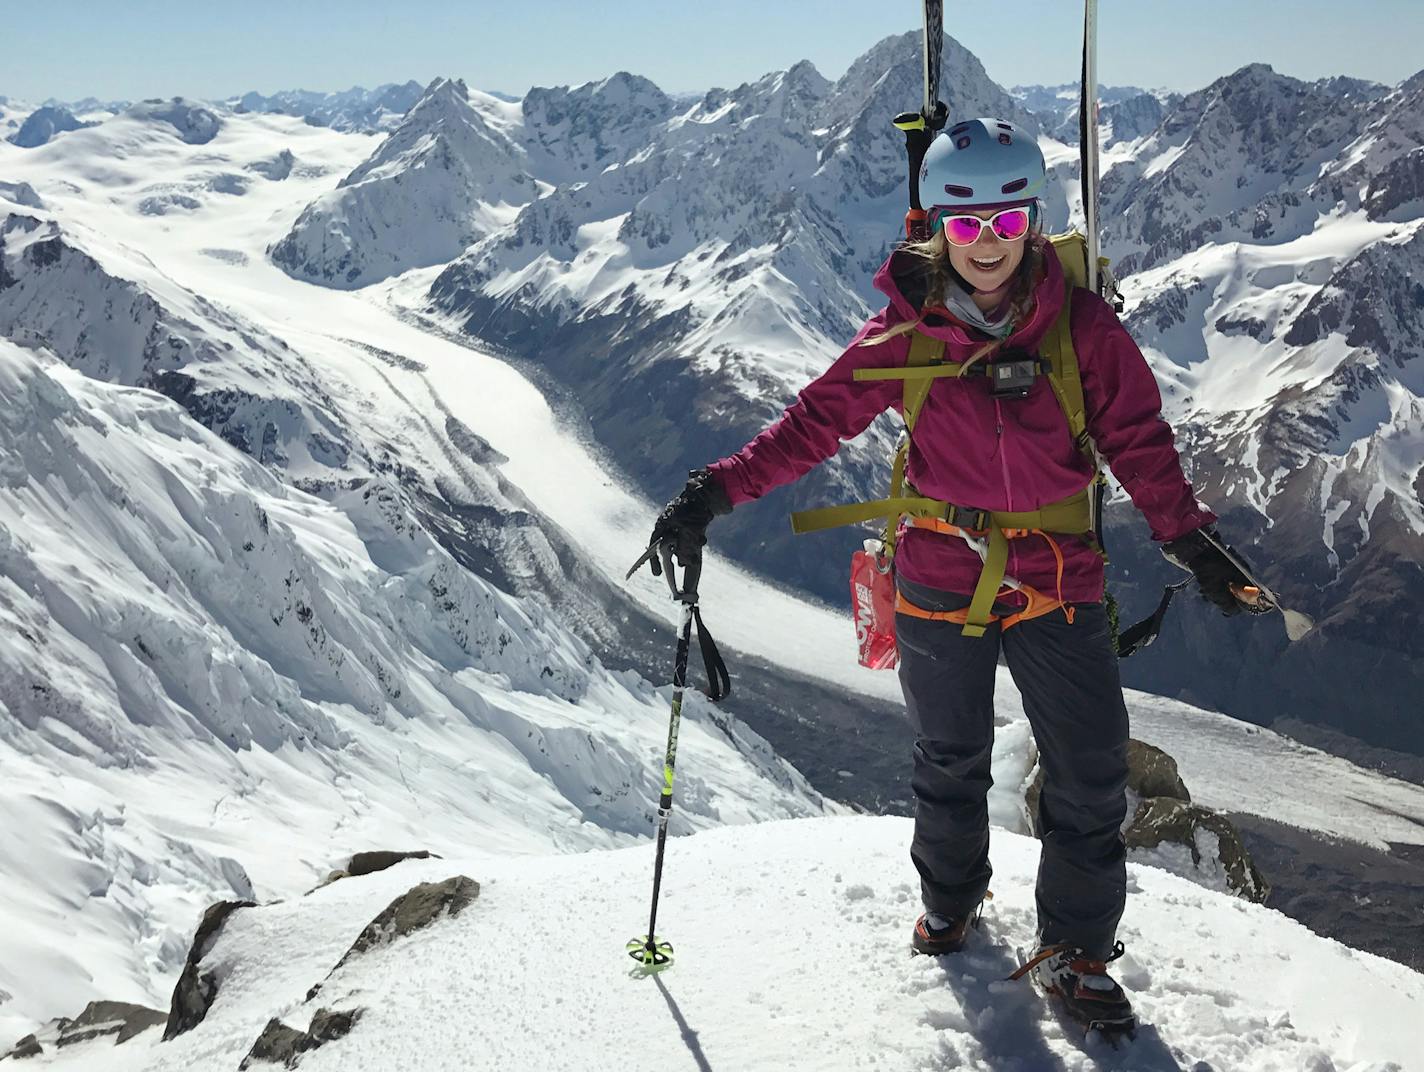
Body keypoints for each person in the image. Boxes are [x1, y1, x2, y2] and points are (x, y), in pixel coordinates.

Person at [643, 117, 1256, 1029]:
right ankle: (951, 900)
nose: (987, 248)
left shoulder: (1081, 327)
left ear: (1035, 225)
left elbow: (1138, 442)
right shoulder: (902, 333)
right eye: (966, 228)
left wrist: (1192, 539)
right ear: (934, 225)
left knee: (1089, 770)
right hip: (939, 569)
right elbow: (812, 425)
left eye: (1007, 226)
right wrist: (712, 493)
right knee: (949, 758)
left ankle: (1078, 950)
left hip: (1056, 576)